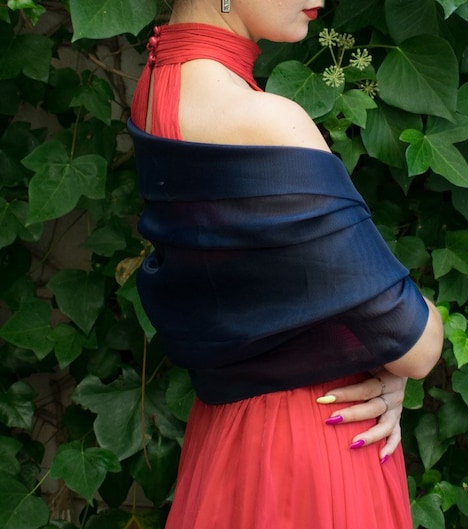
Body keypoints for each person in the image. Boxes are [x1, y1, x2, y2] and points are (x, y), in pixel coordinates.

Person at [127, 1, 444, 528]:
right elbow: (417, 345)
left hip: (227, 445)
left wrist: (384, 351)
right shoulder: (264, 119)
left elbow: (265, 293)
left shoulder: (159, 82)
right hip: (310, 453)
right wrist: (396, 355)